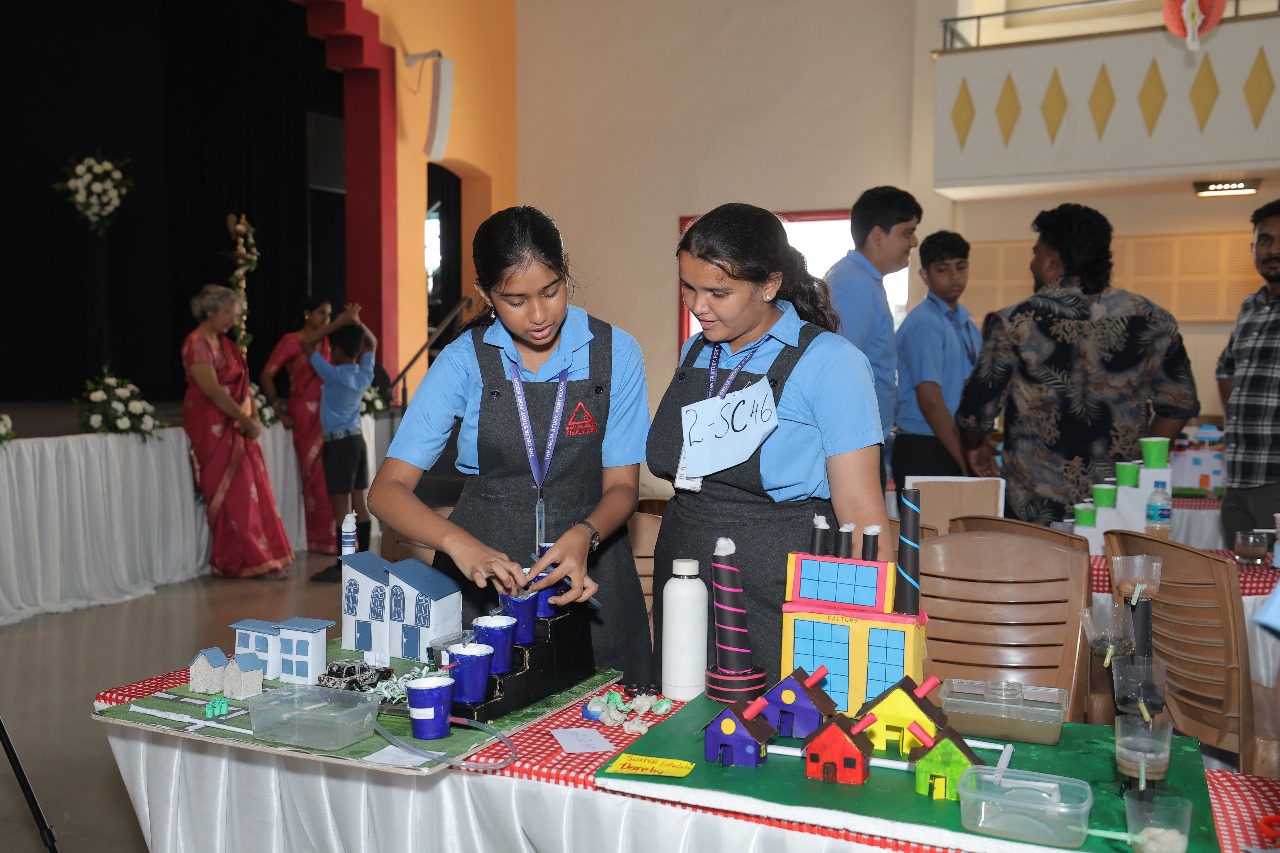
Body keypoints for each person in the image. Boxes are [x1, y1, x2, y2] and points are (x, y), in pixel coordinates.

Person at [368, 206, 653, 682]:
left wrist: (586, 533)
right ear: (485, 295)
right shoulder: (462, 361)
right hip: (483, 592)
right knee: (481, 714)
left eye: (551, 291)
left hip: (593, 576)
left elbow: (623, 487)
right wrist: (460, 545)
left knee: (610, 716)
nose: (539, 316)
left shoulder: (615, 352)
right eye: (515, 300)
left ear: (566, 272)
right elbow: (386, 491)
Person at [648, 202, 890, 684]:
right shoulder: (696, 351)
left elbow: (863, 516)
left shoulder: (831, 363)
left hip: (772, 582)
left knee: (774, 714)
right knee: (679, 712)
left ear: (770, 284)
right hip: (684, 568)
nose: (698, 306)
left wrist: (872, 639)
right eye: (688, 287)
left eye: (719, 292)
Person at [956, 204, 1200, 524]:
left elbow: (976, 412)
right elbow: (1179, 406)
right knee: (1115, 561)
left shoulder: (1016, 322)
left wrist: (975, 447)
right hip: (1118, 506)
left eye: (1035, 253)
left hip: (1036, 506)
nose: (1032, 262)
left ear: (1052, 260)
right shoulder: (1154, 320)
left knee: (1035, 561)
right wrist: (1140, 465)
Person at [182, 284, 295, 578]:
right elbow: (212, 391)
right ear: (210, 311)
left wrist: (252, 414)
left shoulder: (226, 344)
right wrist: (244, 419)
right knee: (237, 495)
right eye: (228, 313)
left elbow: (242, 384)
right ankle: (251, 561)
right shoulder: (197, 344)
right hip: (213, 428)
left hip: (237, 425)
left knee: (251, 491)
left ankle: (246, 559)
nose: (233, 320)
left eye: (235, 315)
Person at [826, 186, 922, 484]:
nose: (914, 242)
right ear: (878, 235)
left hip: (863, 443)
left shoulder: (864, 280)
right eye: (908, 233)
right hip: (854, 447)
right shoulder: (854, 283)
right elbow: (839, 373)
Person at [260, 297, 362, 555]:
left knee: (335, 480)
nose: (326, 319)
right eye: (321, 314)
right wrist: (277, 409)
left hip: (329, 416)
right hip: (305, 417)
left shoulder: (329, 342)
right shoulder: (292, 340)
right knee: (317, 480)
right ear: (307, 314)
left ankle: (341, 544)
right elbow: (267, 374)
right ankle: (323, 540)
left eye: (329, 315)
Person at [892, 230, 980, 485]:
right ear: (924, 275)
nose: (954, 276)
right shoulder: (925, 323)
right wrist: (962, 459)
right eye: (943, 269)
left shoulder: (967, 324)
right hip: (923, 446)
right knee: (922, 514)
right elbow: (930, 401)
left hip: (954, 440)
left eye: (961, 267)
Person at [1217, 199, 1280, 545]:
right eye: (1265, 240)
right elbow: (1225, 369)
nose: (1273, 250)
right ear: (1253, 248)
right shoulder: (1250, 307)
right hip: (1238, 476)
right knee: (1240, 575)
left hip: (1276, 477)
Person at [306, 318, 378, 582]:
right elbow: (372, 342)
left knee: (342, 509)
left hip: (338, 445)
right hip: (357, 442)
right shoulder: (363, 374)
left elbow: (306, 343)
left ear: (336, 350)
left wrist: (340, 322)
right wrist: (357, 322)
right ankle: (365, 560)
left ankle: (345, 566)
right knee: (359, 501)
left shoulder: (333, 374)